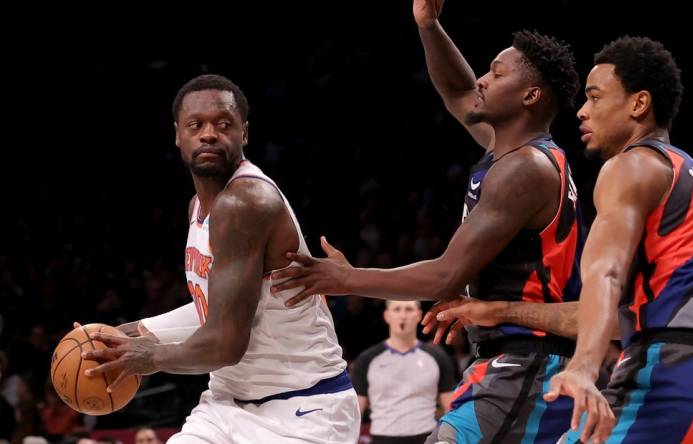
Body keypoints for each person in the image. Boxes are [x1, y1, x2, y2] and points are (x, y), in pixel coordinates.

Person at [272, 0, 583, 441]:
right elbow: (458, 93)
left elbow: (444, 275)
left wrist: (344, 279)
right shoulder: (510, 151)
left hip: (527, 359)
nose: (482, 78)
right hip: (516, 357)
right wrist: (429, 24)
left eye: (497, 73)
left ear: (531, 95)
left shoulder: (525, 169)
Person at [81, 74, 360, 443]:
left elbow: (226, 343)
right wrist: (133, 332)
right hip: (226, 404)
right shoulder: (198, 206)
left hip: (303, 410)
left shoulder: (246, 201)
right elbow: (218, 310)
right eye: (195, 125)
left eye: (223, 124)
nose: (209, 134)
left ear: (244, 133)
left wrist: (150, 356)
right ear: (178, 135)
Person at [540, 36, 693, 443]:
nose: (581, 110)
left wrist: (583, 367)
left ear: (638, 104)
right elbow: (606, 316)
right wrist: (500, 311)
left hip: (683, 372)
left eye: (594, 97)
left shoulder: (630, 166)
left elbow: (605, 275)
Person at [352, 301, 455, 444]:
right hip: (382, 439)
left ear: (419, 315)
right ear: (387, 316)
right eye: (397, 309)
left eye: (408, 309)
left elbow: (451, 409)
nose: (403, 315)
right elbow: (355, 413)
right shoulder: (367, 359)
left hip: (427, 438)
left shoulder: (437, 356)